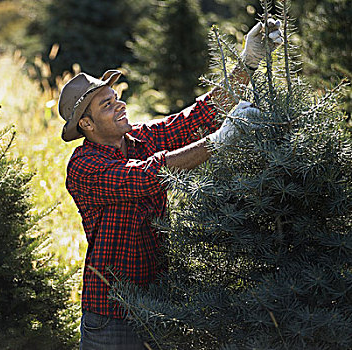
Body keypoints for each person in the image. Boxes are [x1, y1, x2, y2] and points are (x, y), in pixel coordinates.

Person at [58, 18, 283, 350]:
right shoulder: (85, 166)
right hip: (112, 313)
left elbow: (197, 116)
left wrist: (248, 61)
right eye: (107, 105)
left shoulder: (138, 137)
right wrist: (219, 142)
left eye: (117, 97)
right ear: (87, 124)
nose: (120, 104)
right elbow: (145, 176)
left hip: (159, 300)